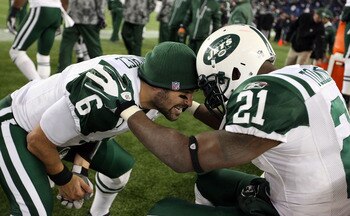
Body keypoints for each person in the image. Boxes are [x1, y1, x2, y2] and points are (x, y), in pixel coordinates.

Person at [116, 24, 350, 215]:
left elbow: (183, 156)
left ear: (236, 70)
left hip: (301, 211)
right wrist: (190, 106)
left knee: (163, 212)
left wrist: (127, 107)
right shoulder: (304, 73)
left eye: (215, 83)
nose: (215, 93)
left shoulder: (269, 95)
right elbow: (243, 131)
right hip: (324, 198)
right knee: (209, 181)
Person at [0, 42, 199, 216]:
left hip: (64, 130)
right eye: (184, 94)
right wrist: (64, 179)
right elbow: (37, 141)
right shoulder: (106, 96)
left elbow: (97, 129)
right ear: (159, 86)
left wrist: (80, 170)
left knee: (120, 170)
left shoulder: (150, 87)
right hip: (19, 124)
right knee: (34, 212)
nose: (189, 102)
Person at [8, 0, 65, 81]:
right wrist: (60, 18)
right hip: (57, 11)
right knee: (44, 56)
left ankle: (37, 86)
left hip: (41, 8)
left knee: (16, 52)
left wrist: (13, 12)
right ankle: (45, 88)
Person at [57, 0, 107, 73]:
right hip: (90, 18)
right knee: (94, 47)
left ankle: (62, 71)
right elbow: (101, 2)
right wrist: (102, 17)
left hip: (72, 17)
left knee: (66, 46)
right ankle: (101, 71)